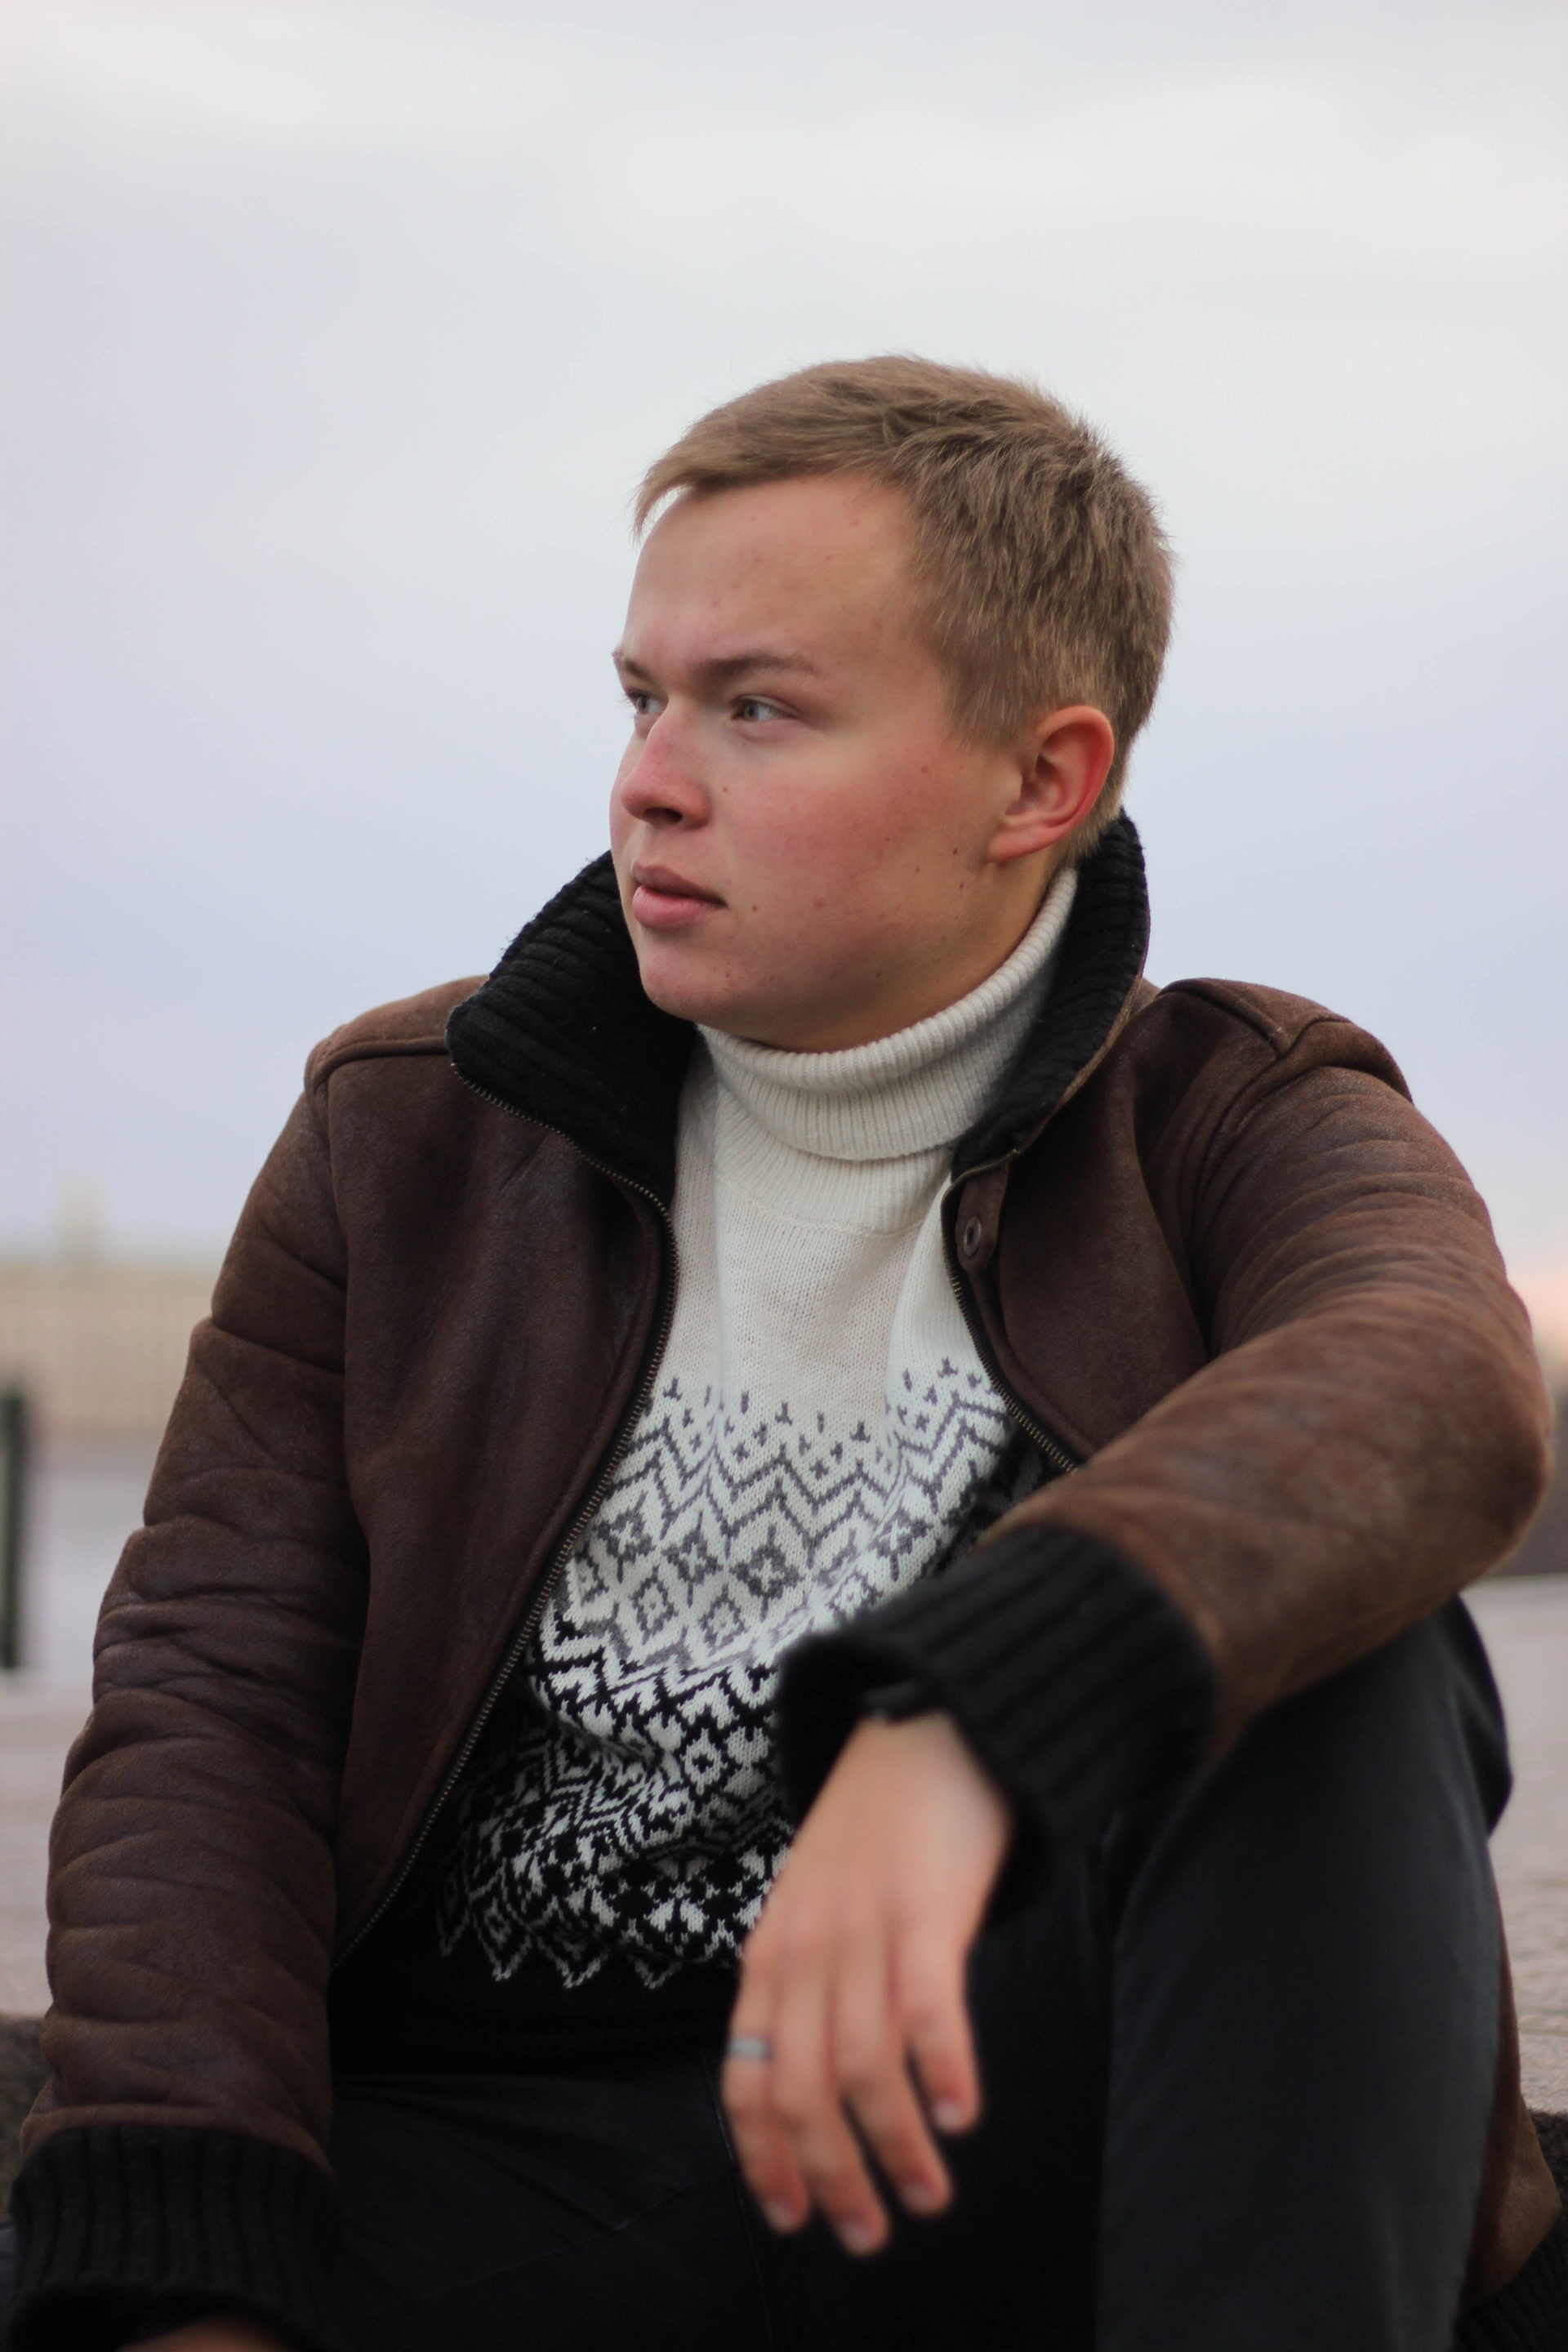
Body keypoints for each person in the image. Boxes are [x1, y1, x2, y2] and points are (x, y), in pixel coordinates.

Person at [2, 359, 1563, 2352]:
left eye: (756, 708)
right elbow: (210, 1708)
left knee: (1346, 1656)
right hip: (504, 2140)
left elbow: (1430, 1381)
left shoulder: (1232, 1114)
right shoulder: (404, 1136)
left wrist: (965, 1716)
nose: (651, 781)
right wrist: (181, 2258)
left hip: (1029, 2134)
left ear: (1040, 782)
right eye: (640, 699)